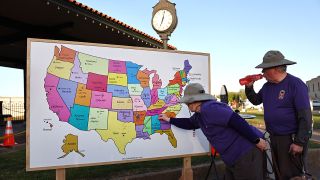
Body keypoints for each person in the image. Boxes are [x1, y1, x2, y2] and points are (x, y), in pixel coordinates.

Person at [159, 83, 267, 180]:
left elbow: (237, 121)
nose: (186, 105)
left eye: (187, 102)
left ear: (193, 101)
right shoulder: (199, 114)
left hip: (246, 152)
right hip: (233, 157)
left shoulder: (210, 108)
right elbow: (189, 123)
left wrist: (256, 140)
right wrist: (169, 119)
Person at [245, 50, 312, 179]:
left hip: (291, 139)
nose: (263, 73)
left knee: (293, 175)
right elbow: (256, 100)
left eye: (265, 70)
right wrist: (249, 88)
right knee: (278, 173)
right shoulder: (267, 86)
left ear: (275, 69)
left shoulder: (296, 84)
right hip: (273, 137)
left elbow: (305, 117)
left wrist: (299, 142)